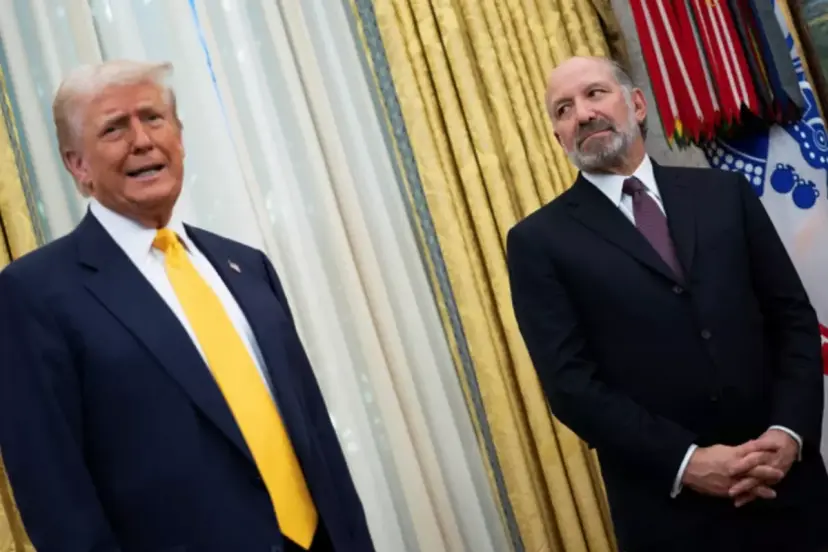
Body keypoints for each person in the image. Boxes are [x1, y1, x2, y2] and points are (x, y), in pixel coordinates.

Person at [0, 60, 374, 552]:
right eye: (114, 128)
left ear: (179, 136)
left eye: (153, 118)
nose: (142, 140)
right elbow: (55, 497)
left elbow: (316, 435)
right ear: (78, 165)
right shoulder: (33, 293)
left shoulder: (247, 266)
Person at [507, 56, 828, 552]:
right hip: (671, 514)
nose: (583, 114)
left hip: (789, 490)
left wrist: (789, 432)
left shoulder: (724, 192)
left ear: (637, 105)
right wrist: (688, 462)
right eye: (563, 109)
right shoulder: (538, 241)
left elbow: (792, 320)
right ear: (559, 138)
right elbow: (571, 386)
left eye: (595, 93)